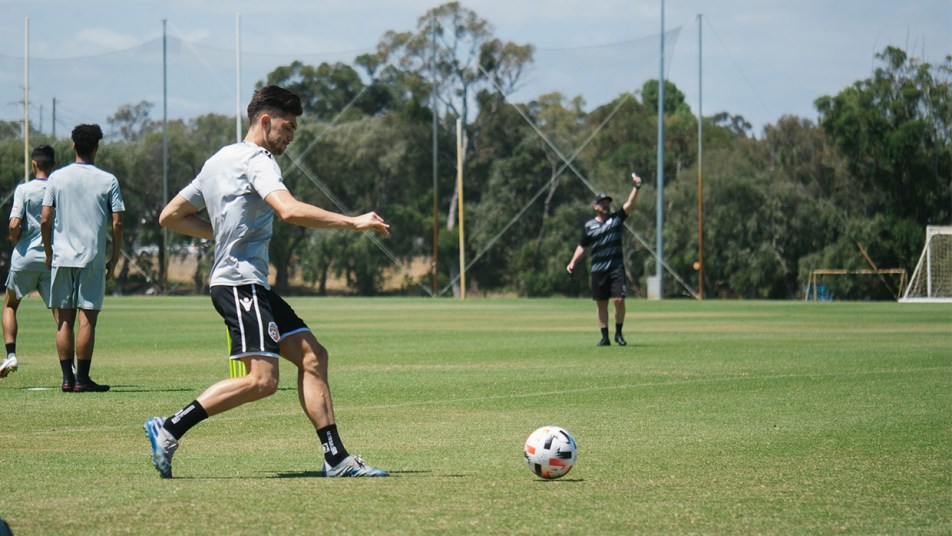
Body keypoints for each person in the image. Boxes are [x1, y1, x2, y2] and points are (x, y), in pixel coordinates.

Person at [145, 85, 391, 479]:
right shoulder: (259, 160)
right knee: (262, 381)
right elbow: (289, 211)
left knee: (313, 356)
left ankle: (335, 458)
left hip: (249, 284)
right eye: (287, 127)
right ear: (265, 121)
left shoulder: (217, 160)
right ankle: (170, 428)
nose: (291, 136)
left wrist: (224, 232)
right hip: (239, 284)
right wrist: (353, 221)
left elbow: (170, 216)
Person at [41, 124, 125, 392]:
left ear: (73, 146)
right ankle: (82, 379)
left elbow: (45, 218)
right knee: (87, 319)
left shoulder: (56, 178)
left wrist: (48, 251)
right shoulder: (108, 180)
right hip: (92, 258)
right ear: (96, 148)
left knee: (64, 319)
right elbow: (118, 222)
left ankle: (67, 378)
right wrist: (113, 257)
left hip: (62, 257)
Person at [566, 172, 643, 346]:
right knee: (601, 303)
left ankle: (619, 333)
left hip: (616, 268)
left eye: (608, 202)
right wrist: (572, 262)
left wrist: (636, 188)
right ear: (595, 207)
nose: (606, 205)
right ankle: (605, 337)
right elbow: (582, 246)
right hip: (598, 270)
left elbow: (629, 204)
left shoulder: (616, 219)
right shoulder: (589, 226)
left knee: (619, 300)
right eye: (602, 203)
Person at [0, 145, 57, 379]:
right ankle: (71, 366)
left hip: (24, 257)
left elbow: (14, 224)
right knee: (61, 315)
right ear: (53, 165)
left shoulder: (23, 189)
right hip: (51, 257)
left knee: (11, 305)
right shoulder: (58, 188)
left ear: (33, 164)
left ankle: (11, 354)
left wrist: (15, 239)